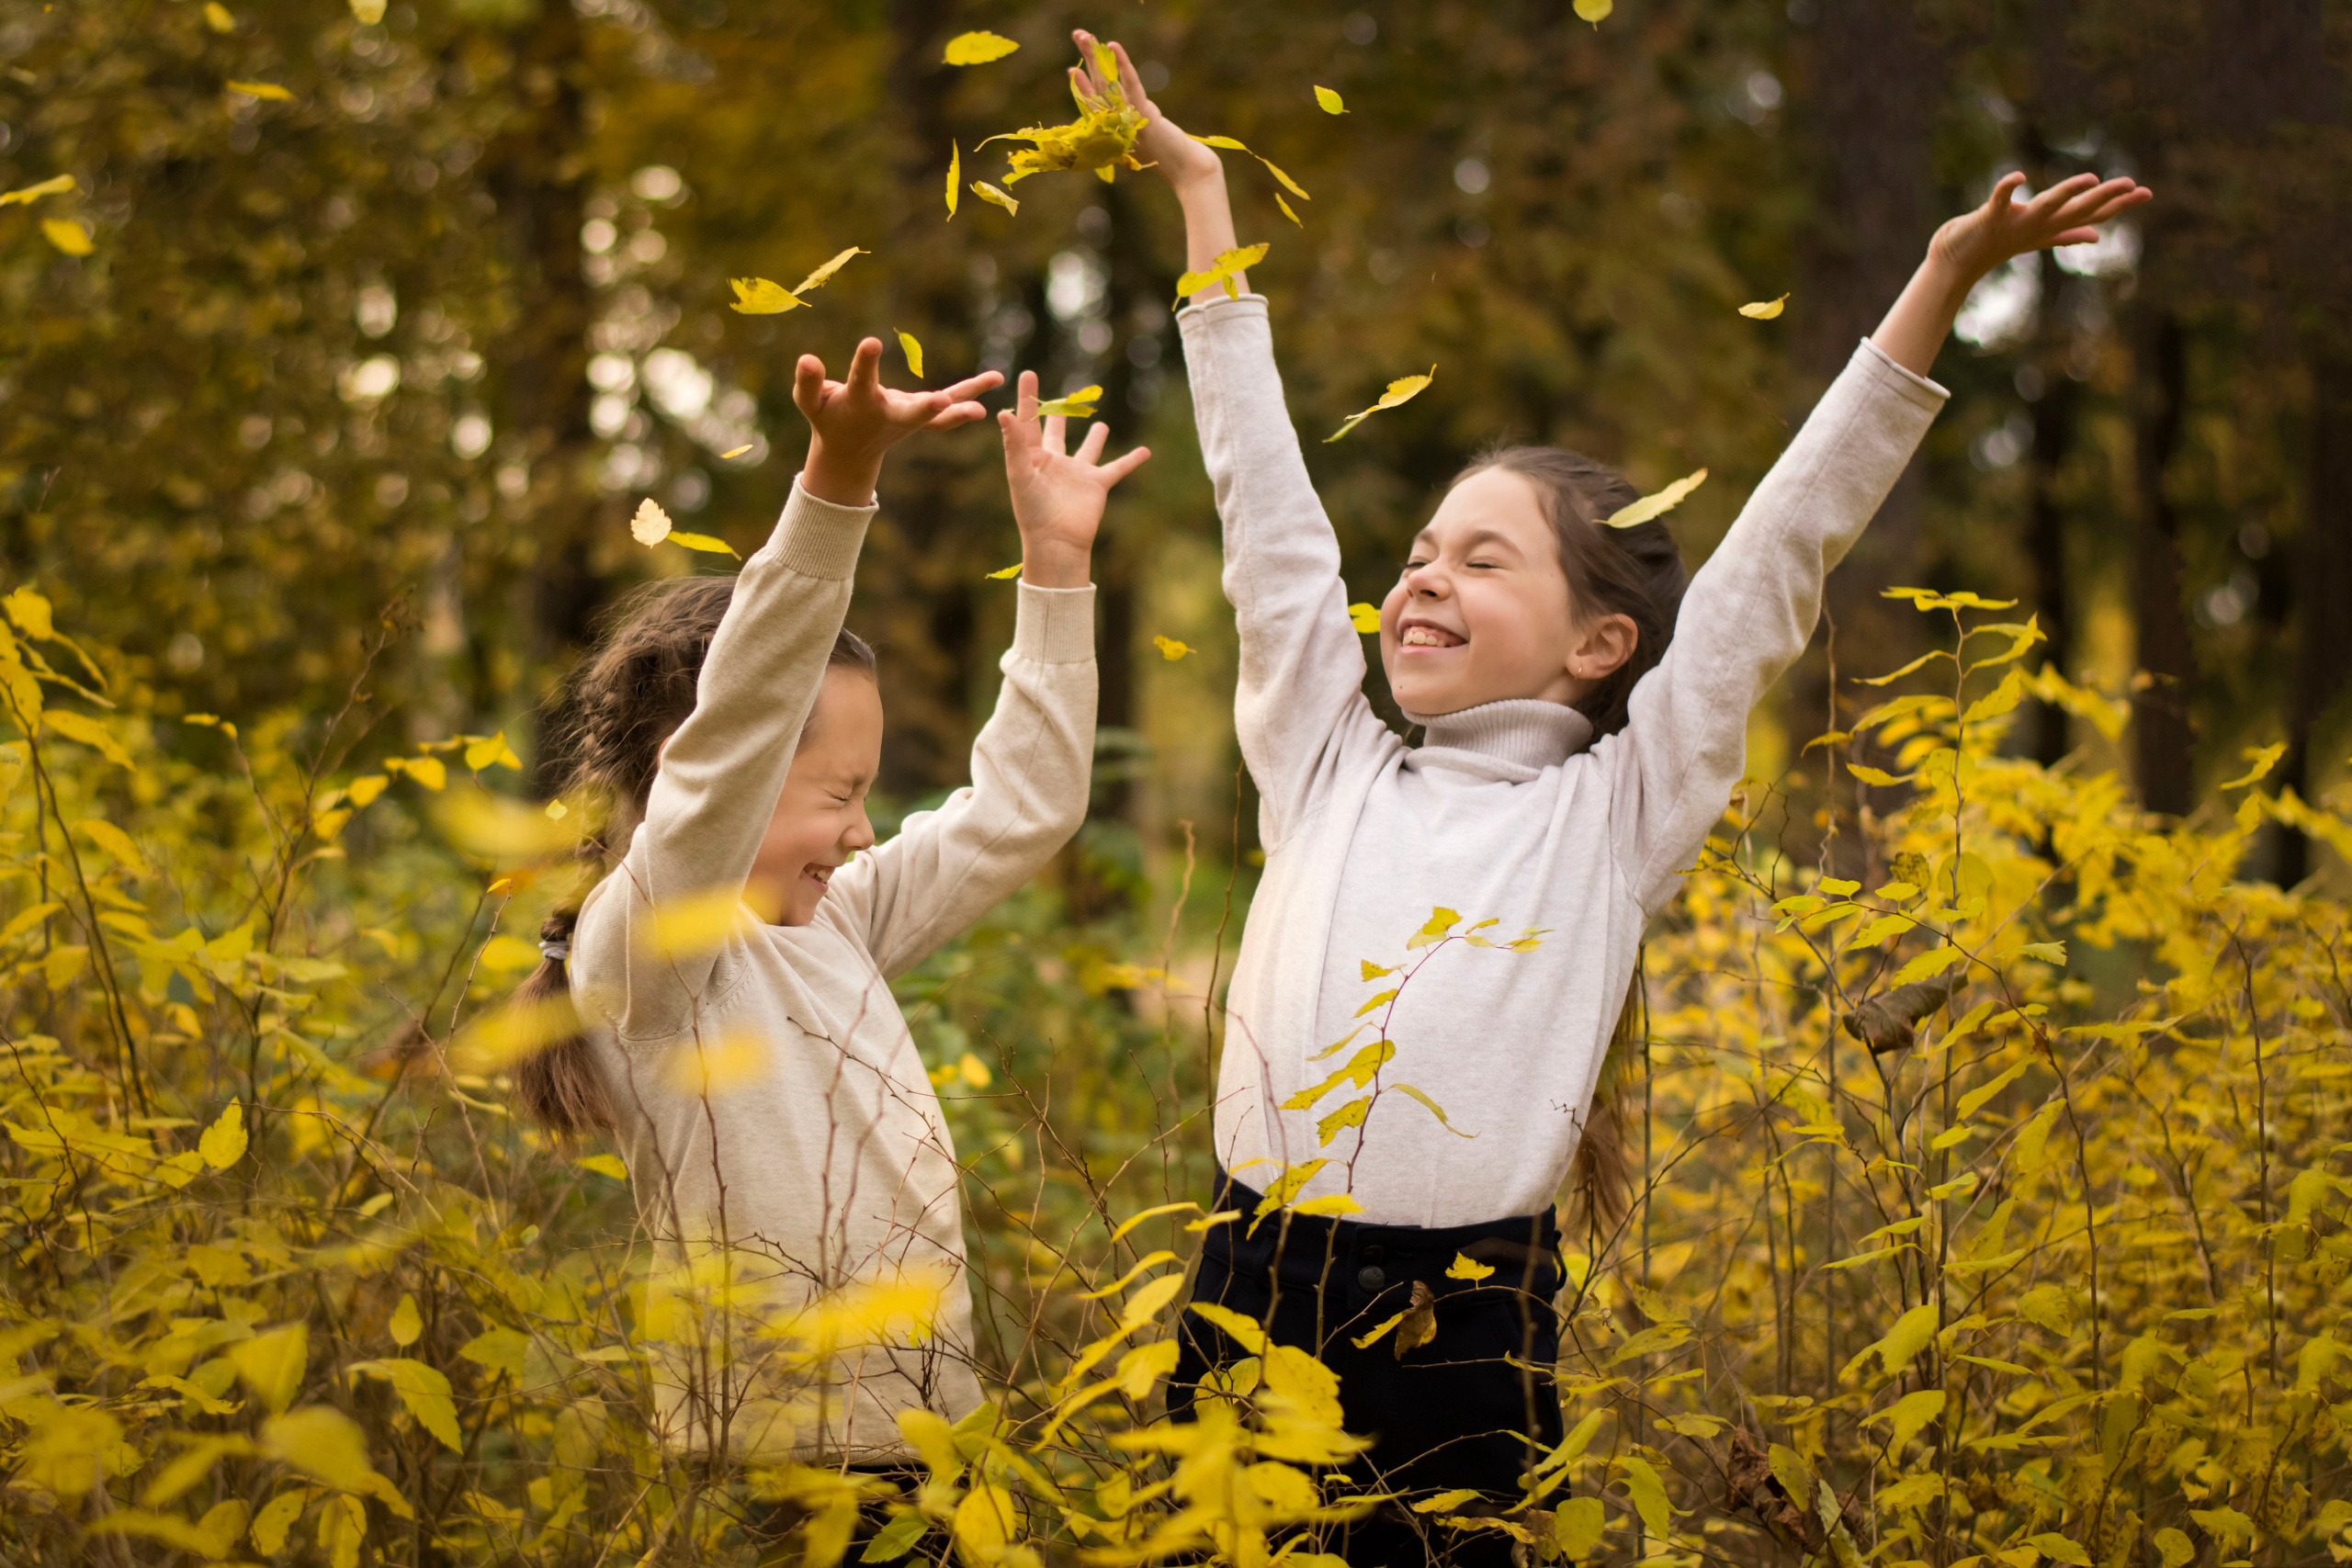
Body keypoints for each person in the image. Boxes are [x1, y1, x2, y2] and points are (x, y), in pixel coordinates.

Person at [1079, 26, 2151, 1565]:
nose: (1426, 573)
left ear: (1600, 641)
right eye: (1423, 552)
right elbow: (1269, 521)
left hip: (1471, 1324)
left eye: (1482, 556)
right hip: (1251, 1284)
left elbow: (1779, 563)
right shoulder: (1324, 759)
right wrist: (1202, 213)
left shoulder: (1613, 811)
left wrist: (1931, 288)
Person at [504, 341, 1148, 1463]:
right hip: (770, 1463)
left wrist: (1053, 567)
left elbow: (1024, 807)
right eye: (839, 795)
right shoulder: (654, 947)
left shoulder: (835, 918)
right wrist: (836, 484)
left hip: (928, 1441)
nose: (862, 831)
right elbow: (737, 730)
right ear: (720, 778)